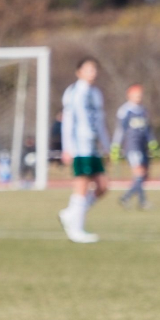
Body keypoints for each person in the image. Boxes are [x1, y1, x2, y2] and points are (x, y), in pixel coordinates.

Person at [57, 57, 110, 243]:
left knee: (103, 186)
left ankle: (70, 214)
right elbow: (68, 122)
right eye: (88, 69)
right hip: (80, 146)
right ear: (79, 72)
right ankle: (76, 229)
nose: (92, 73)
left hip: (94, 147)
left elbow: (101, 122)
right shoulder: (73, 92)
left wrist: (106, 145)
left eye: (94, 69)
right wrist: (67, 148)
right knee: (82, 185)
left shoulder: (96, 93)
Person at [112, 83, 158, 209]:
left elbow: (148, 129)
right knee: (139, 173)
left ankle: (129, 198)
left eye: (140, 95)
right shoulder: (125, 111)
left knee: (144, 176)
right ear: (129, 95)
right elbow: (120, 130)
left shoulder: (143, 111)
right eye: (136, 95)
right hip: (132, 147)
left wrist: (152, 141)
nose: (139, 97)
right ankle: (138, 201)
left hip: (143, 148)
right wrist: (115, 146)